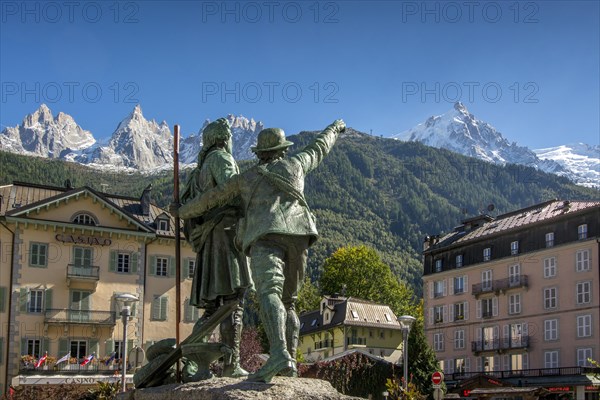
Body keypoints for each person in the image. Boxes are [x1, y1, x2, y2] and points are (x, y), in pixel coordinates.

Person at [174, 119, 346, 382]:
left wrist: (181, 211)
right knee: (290, 302)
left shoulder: (245, 178)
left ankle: (278, 354)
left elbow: (211, 199)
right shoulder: (297, 164)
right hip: (300, 236)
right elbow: (320, 147)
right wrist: (335, 128)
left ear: (260, 153)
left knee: (269, 294)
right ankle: (289, 362)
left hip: (265, 238)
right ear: (283, 149)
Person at [179, 117, 252, 378]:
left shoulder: (199, 169)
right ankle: (232, 364)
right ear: (223, 138)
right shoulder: (221, 158)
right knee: (234, 301)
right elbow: (233, 191)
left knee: (212, 307)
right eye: (230, 136)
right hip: (227, 235)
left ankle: (192, 361)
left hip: (210, 239)